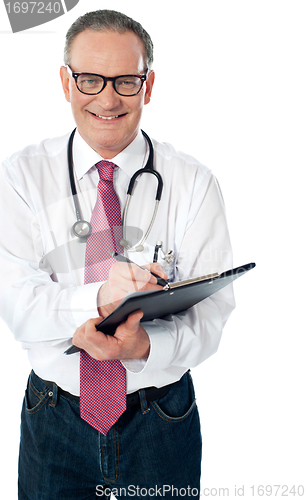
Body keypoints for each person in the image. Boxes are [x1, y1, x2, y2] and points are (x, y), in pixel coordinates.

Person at [0, 9, 235, 500]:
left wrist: (143, 348)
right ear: (65, 83)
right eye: (89, 79)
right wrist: (98, 301)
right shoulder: (20, 178)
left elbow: (212, 315)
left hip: (160, 420)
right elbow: (17, 306)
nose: (107, 98)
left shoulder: (193, 183)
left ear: (148, 87)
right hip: (53, 420)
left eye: (126, 81)